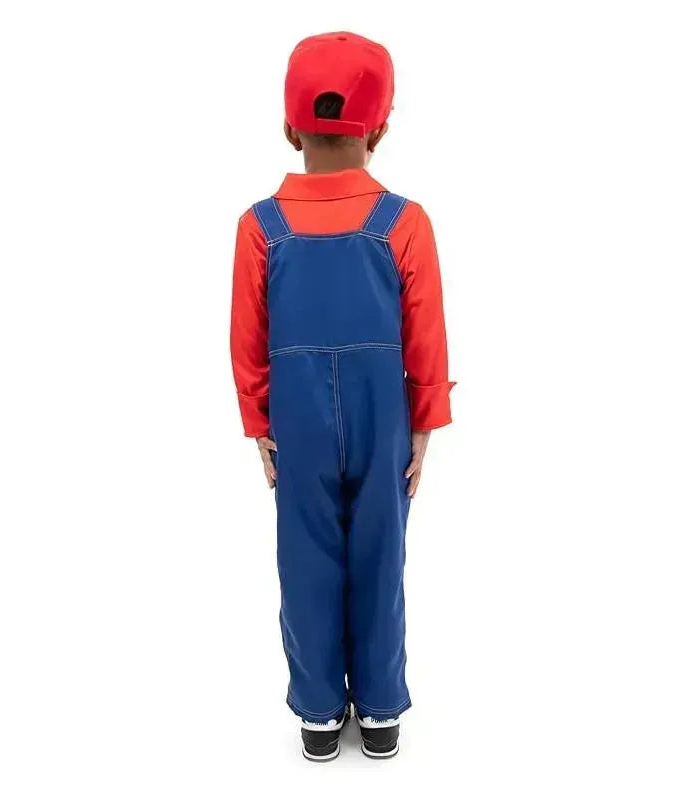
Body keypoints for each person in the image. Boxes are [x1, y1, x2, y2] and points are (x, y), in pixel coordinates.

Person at [230, 32, 454, 761]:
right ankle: (382, 711)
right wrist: (424, 422)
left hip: (294, 418)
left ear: (288, 126)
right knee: (381, 554)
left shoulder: (259, 227)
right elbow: (426, 334)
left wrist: (259, 424)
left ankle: (320, 714)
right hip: (383, 413)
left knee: (305, 556)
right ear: (380, 130)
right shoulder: (405, 222)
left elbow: (247, 337)